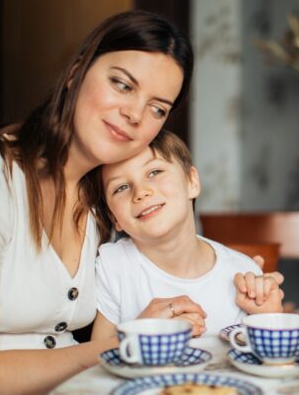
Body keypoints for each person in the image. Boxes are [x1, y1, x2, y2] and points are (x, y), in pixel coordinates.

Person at [0, 10, 198, 395]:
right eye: (123, 84)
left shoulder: (104, 198)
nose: (135, 115)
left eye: (158, 108)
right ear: (76, 73)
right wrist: (116, 349)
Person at [90, 130, 284, 340]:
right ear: (114, 217)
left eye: (154, 172)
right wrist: (141, 332)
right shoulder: (113, 266)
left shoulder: (244, 274)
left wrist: (269, 319)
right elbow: (95, 362)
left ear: (192, 182)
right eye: (122, 187)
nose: (141, 192)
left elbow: (266, 363)